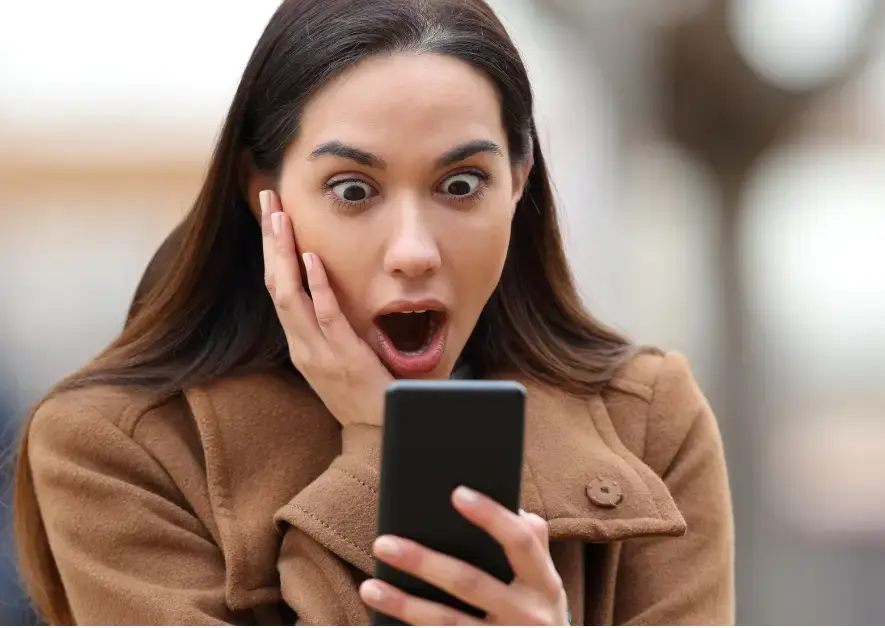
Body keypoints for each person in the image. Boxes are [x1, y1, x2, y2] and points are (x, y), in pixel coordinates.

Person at [12, 0, 734, 624]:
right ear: (262, 194)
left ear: (518, 183)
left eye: (461, 184)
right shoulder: (116, 451)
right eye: (354, 191)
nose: (414, 251)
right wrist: (381, 447)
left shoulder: (648, 419)